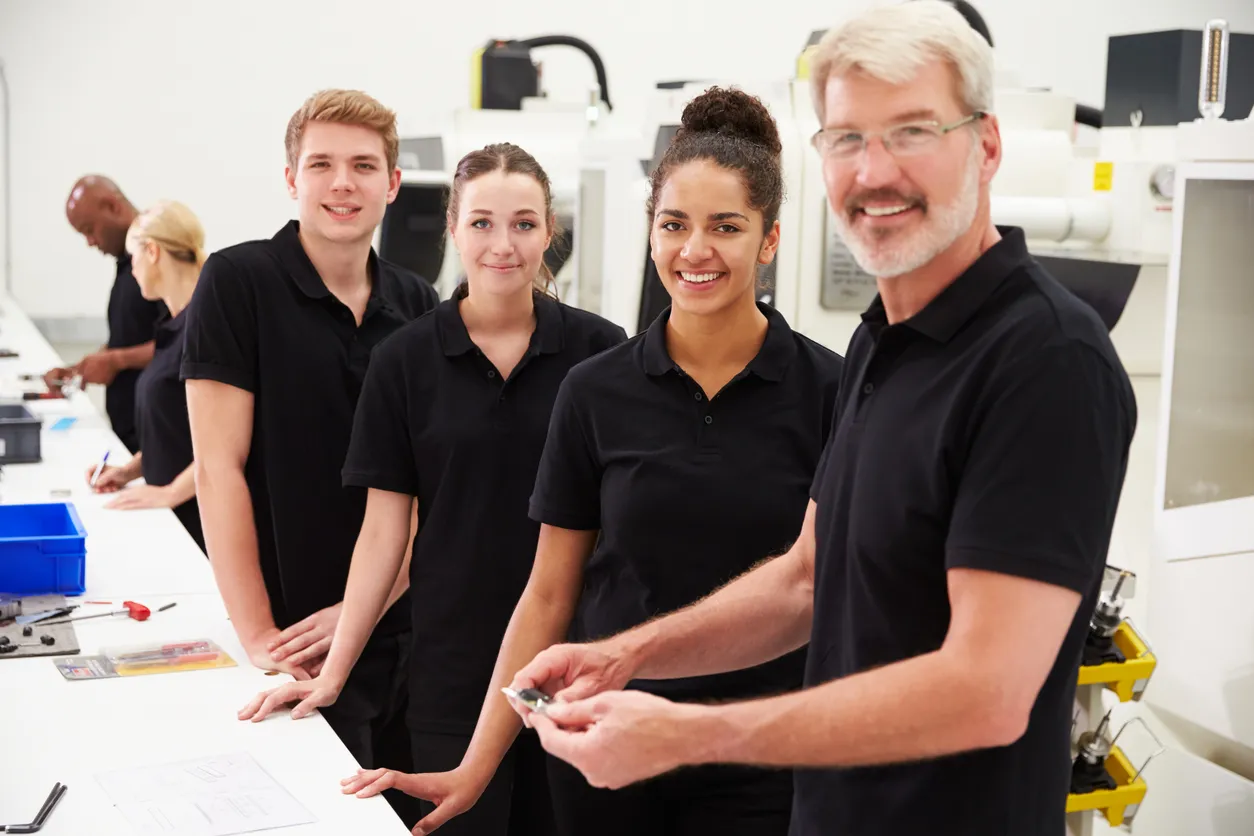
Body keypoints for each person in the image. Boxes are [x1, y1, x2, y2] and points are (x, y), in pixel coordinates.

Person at [503, 4, 1137, 836]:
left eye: (911, 131)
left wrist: (693, 734)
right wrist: (626, 655)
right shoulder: (883, 345)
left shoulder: (1044, 359)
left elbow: (988, 693)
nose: (873, 170)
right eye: (845, 138)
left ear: (985, 146)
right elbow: (806, 579)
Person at [331, 87, 845, 836]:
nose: (694, 250)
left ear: (768, 240)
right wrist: (477, 767)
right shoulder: (598, 390)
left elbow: (825, 586)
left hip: (763, 756)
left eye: (725, 227)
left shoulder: (830, 391)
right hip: (608, 753)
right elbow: (547, 597)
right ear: (651, 234)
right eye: (674, 224)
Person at [239, 142, 629, 836]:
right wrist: (334, 673)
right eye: (481, 223)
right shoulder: (405, 360)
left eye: (523, 223)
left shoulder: (601, 353)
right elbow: (385, 534)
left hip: (575, 667)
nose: (502, 245)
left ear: (549, 232)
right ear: (452, 227)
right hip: (451, 670)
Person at [180, 89, 439, 785]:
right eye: (321, 164)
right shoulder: (238, 283)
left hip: (403, 631)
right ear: (292, 178)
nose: (342, 183)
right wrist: (258, 633)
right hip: (295, 641)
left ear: (392, 183)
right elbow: (218, 469)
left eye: (363, 165)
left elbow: (424, 492)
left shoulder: (418, 306)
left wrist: (361, 610)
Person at [85, 200, 209, 552]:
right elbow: (179, 433)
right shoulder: (173, 326)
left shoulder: (206, 329)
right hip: (171, 512)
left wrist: (170, 493)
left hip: (200, 524)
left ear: (153, 252)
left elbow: (229, 444)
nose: (133, 272)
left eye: (134, 259)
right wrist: (129, 470)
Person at [50, 175, 165, 452]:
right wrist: (81, 369)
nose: (90, 242)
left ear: (112, 206)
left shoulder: (159, 257)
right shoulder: (127, 262)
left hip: (154, 434)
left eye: (90, 229)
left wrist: (117, 360)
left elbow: (181, 342)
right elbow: (133, 333)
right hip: (131, 436)